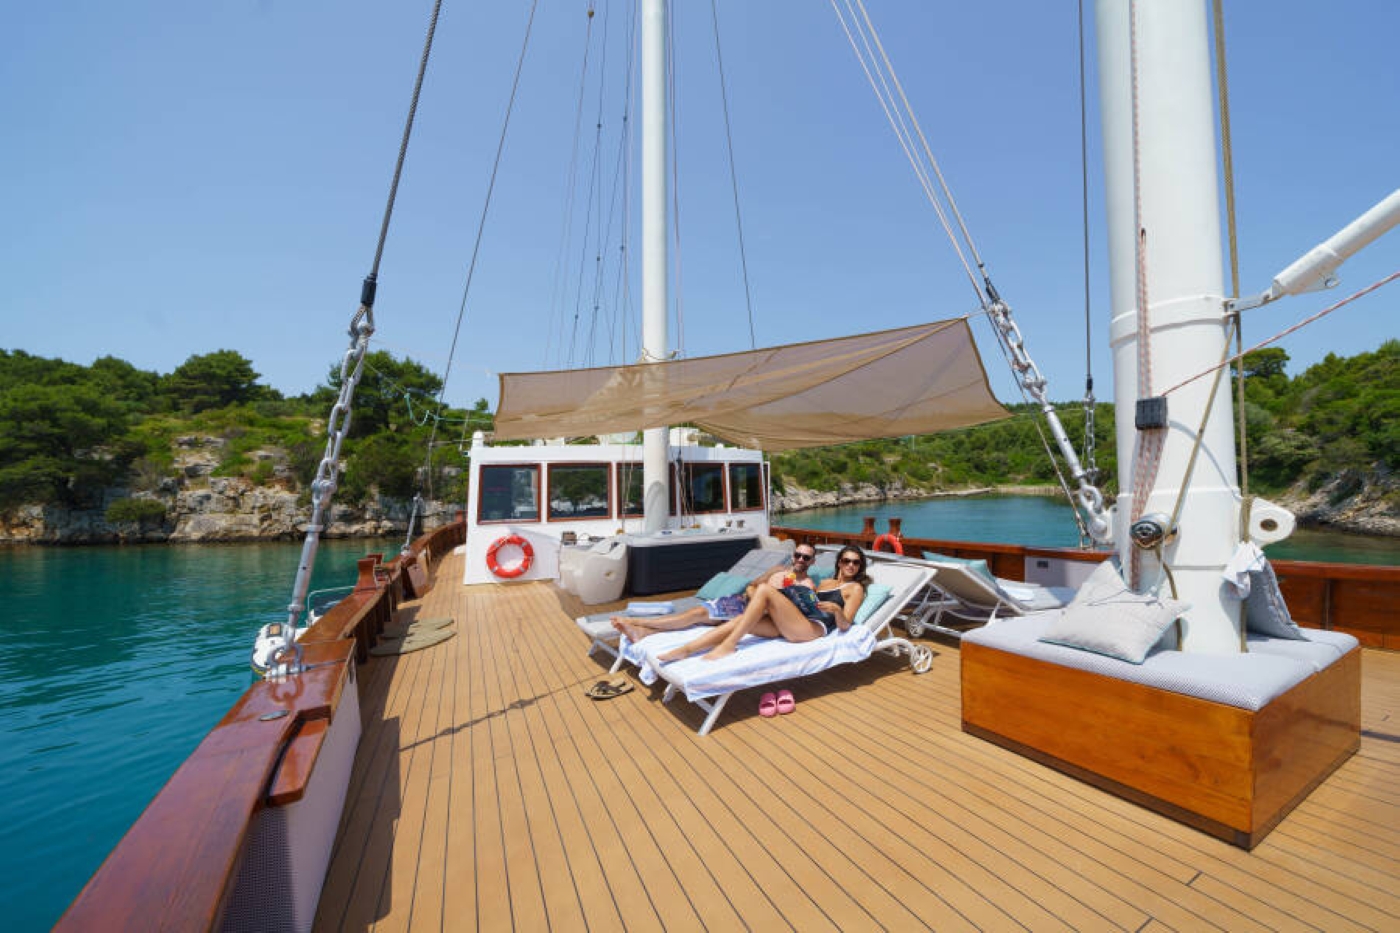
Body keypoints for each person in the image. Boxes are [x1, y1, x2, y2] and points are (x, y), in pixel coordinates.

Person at [656, 545, 870, 663]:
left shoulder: (855, 589)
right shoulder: (824, 582)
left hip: (813, 628)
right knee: (741, 620)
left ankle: (728, 646)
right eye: (846, 561)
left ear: (860, 566)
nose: (850, 565)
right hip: (796, 621)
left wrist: (837, 610)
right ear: (839, 563)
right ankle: (686, 649)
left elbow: (845, 625)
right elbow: (808, 602)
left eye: (856, 562)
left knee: (765, 590)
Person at [611, 544, 820, 645]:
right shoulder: (777, 570)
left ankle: (639, 627)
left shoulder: (807, 585)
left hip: (762, 617)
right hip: (741, 603)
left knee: (703, 623)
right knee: (695, 613)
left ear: (812, 562)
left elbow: (798, 613)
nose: (800, 559)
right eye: (798, 555)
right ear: (793, 556)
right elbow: (751, 585)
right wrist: (754, 594)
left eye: (806, 557)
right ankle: (641, 626)